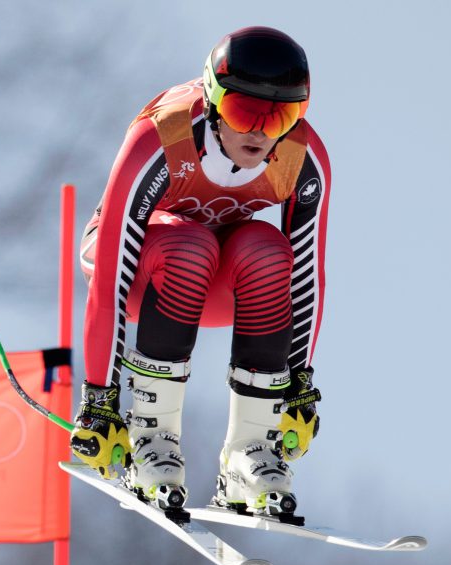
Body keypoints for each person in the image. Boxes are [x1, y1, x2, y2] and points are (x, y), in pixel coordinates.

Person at [69, 26, 328, 521]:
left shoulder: (300, 156)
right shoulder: (164, 135)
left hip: (215, 283)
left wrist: (301, 381)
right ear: (212, 101)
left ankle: (250, 452)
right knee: (191, 242)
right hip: (138, 267)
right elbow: (108, 275)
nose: (260, 130)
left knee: (269, 250)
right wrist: (100, 398)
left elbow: (308, 271)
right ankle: (151, 438)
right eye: (243, 111)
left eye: (282, 115)